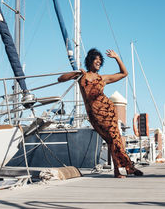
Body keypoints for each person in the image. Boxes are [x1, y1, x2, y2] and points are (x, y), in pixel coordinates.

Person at [58, 48, 143, 178]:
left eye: (100, 60)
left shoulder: (102, 78)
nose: (98, 62)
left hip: (108, 111)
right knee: (112, 139)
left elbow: (124, 73)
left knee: (114, 139)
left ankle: (120, 170)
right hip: (94, 115)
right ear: (90, 61)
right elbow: (60, 79)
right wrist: (74, 72)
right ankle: (128, 167)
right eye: (96, 59)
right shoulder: (82, 76)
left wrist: (116, 58)